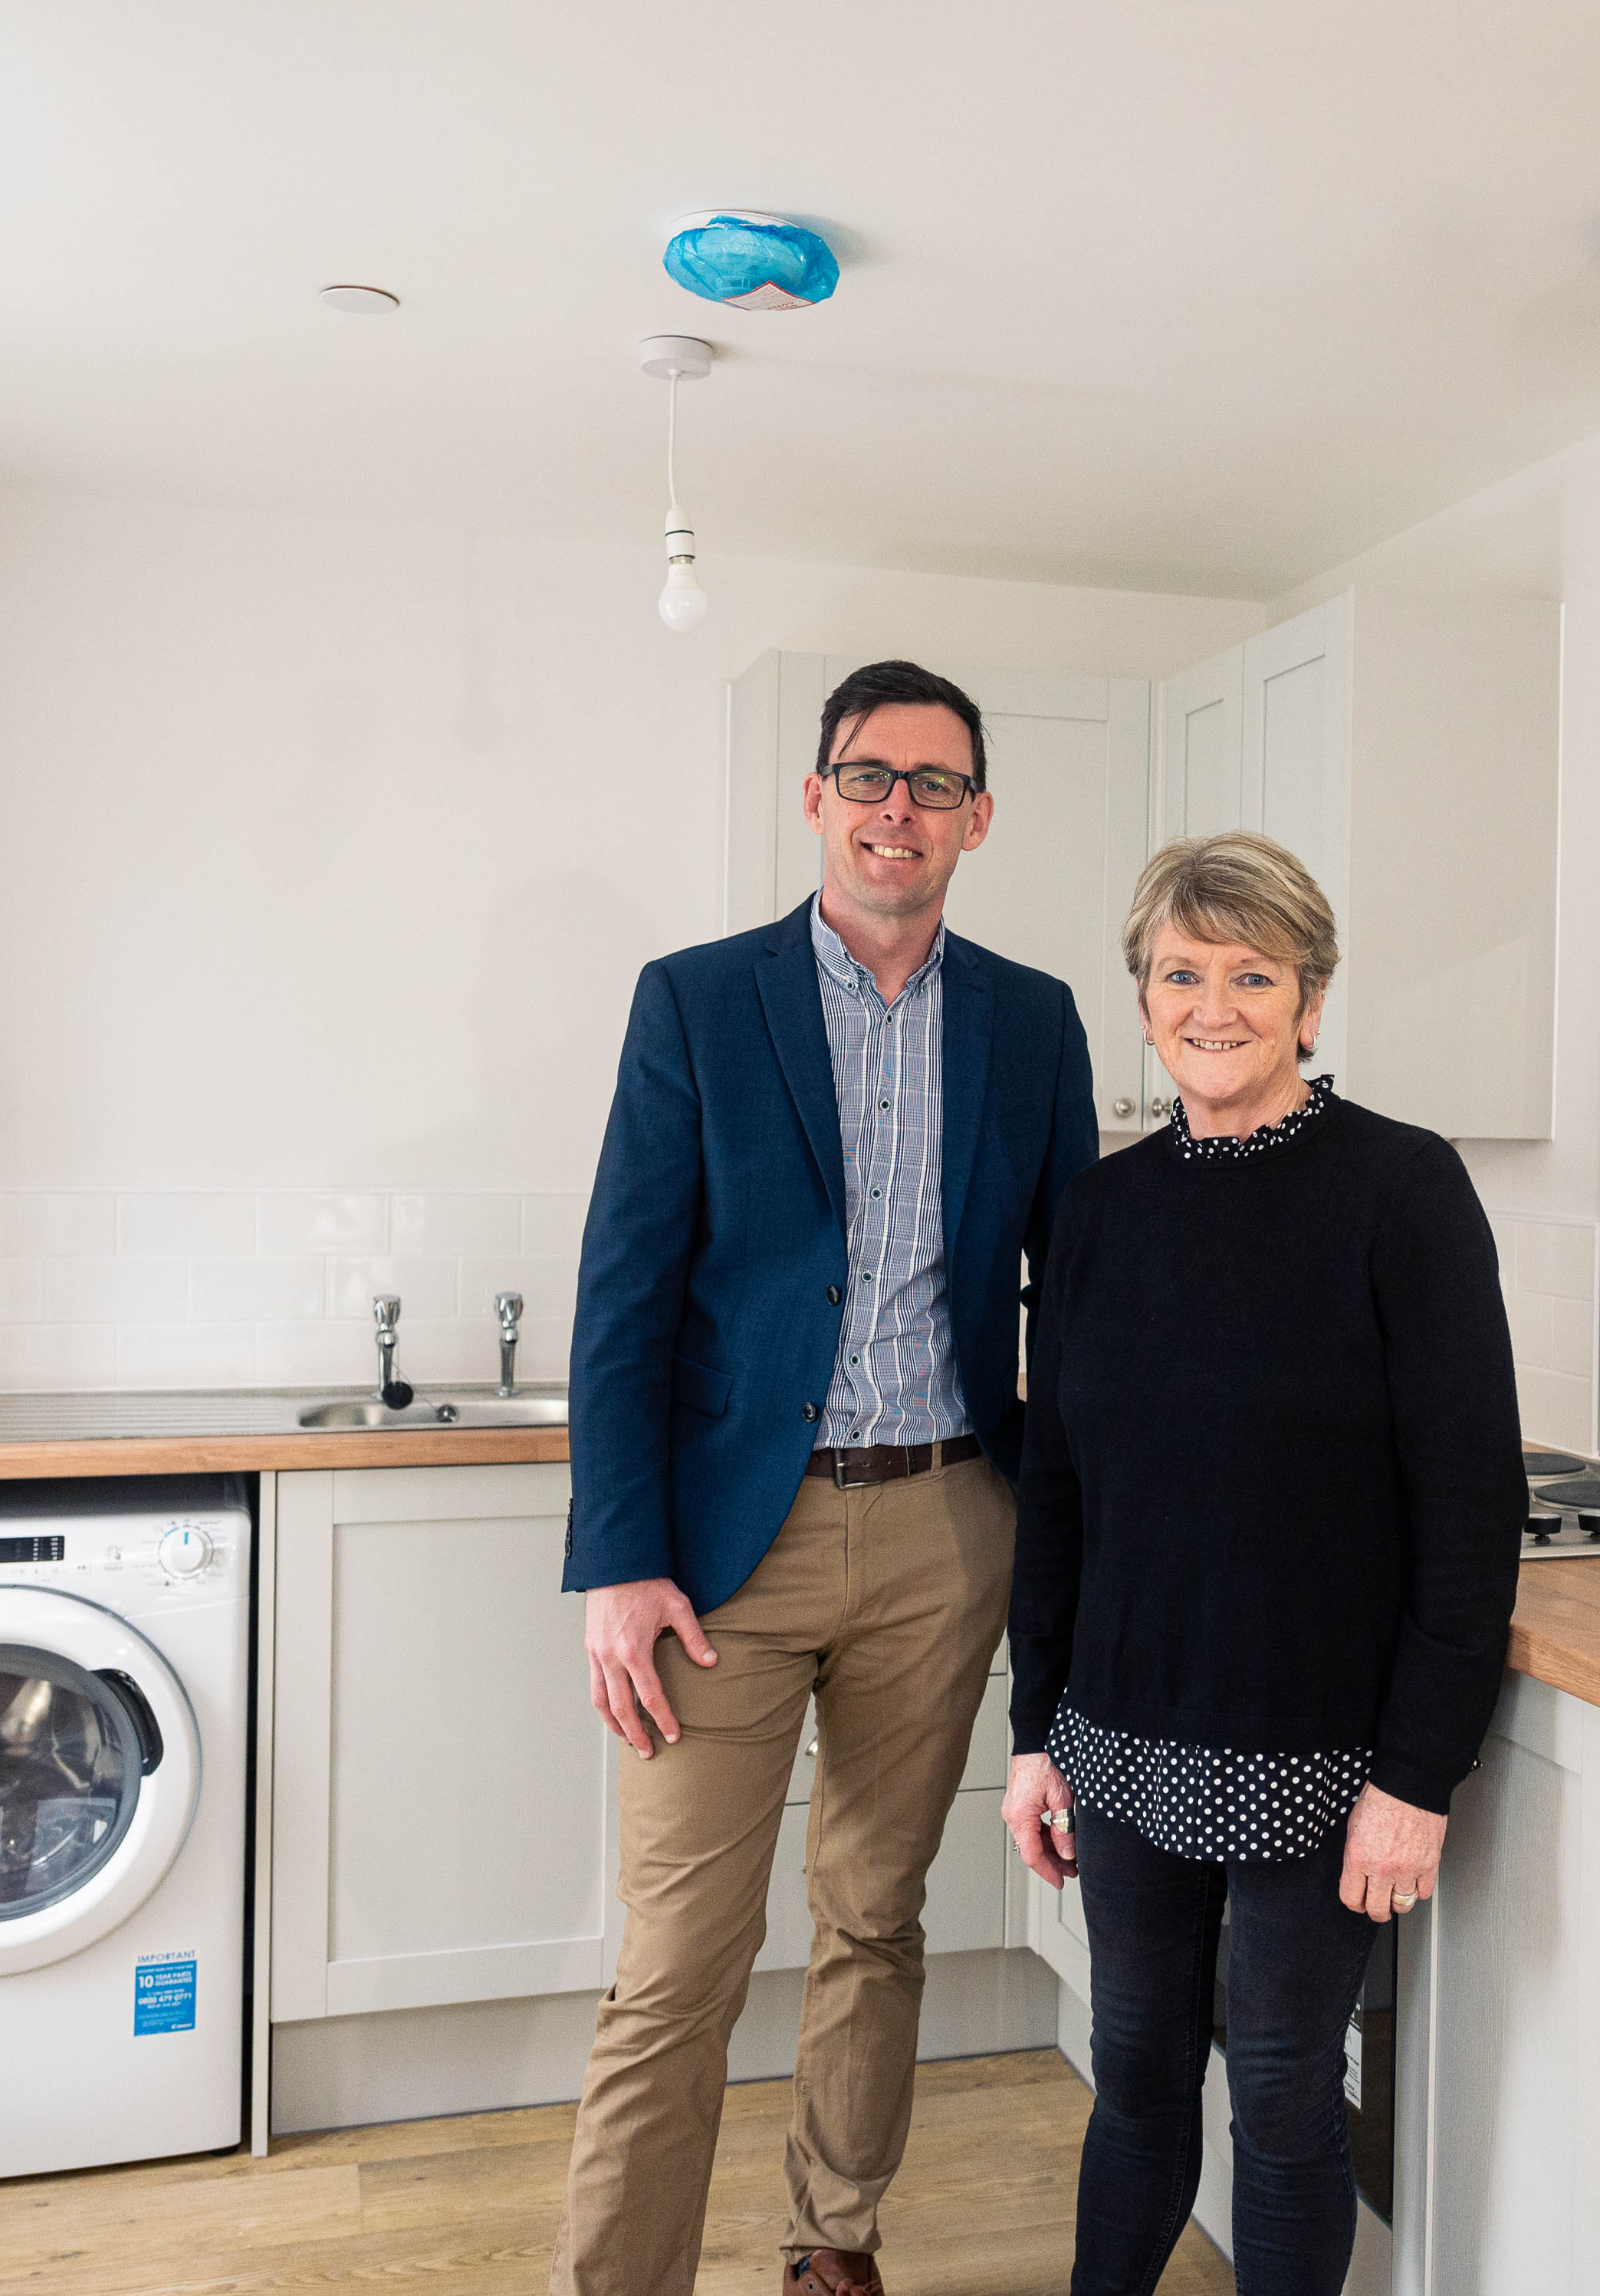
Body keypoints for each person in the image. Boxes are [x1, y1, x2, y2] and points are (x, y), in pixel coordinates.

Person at [555, 659, 1098, 2296]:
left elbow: (1076, 1298)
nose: (898, 810)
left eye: (935, 785)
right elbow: (625, 1288)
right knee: (676, 1970)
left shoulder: (1038, 1017)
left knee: (874, 1917)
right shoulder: (697, 1001)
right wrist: (618, 1558)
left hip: (948, 1528)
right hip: (724, 1553)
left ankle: (834, 2243)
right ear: (816, 798)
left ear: (978, 819)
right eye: (869, 777)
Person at [1002, 831, 1521, 2296]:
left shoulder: (1402, 1191)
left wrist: (1416, 1778)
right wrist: (1036, 1733)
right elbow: (1059, 1500)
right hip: (1122, 1744)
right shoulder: (1099, 1212)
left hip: (1320, 1752)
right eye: (1181, 972)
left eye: (1252, 973)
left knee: (1287, 2104)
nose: (1211, 1004)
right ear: (1144, 996)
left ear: (1311, 996)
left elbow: (1471, 1510)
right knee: (1138, 2082)